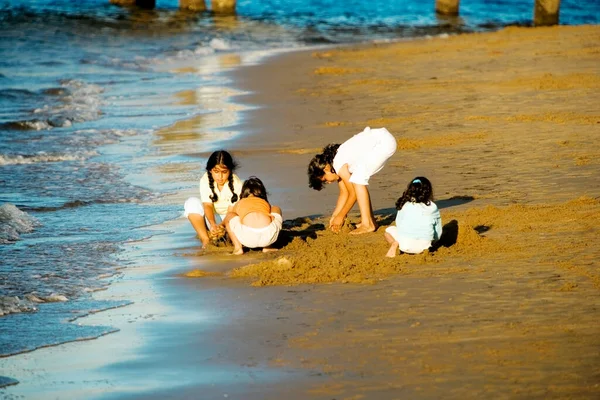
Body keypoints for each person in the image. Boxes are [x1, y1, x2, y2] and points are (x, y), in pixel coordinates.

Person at [307, 126, 397, 234]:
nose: (328, 182)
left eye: (325, 180)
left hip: (383, 142)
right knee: (357, 178)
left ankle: (367, 224)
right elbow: (344, 193)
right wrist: (335, 215)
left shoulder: (338, 164)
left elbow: (353, 194)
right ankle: (370, 221)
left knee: (358, 179)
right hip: (381, 139)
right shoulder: (337, 165)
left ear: (326, 169)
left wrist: (341, 216)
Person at [184, 150, 242, 249]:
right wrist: (213, 224)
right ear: (210, 170)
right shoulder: (205, 179)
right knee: (191, 203)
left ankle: (223, 235)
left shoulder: (237, 183)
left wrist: (221, 226)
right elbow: (207, 205)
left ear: (230, 171)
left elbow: (231, 212)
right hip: (211, 218)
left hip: (229, 219)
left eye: (224, 172)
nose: (220, 177)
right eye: (216, 172)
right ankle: (205, 239)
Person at [224, 176, 283, 255]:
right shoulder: (265, 203)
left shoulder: (239, 203)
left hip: (246, 237)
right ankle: (268, 247)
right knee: (276, 208)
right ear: (263, 194)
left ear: (243, 194)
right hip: (268, 237)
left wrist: (222, 226)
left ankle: (238, 248)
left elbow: (230, 219)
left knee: (230, 214)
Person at [384, 177, 442, 257]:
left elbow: (399, 224)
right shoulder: (432, 207)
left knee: (388, 231)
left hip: (404, 245)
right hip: (425, 246)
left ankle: (394, 244)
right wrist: (434, 242)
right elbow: (438, 231)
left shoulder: (404, 204)